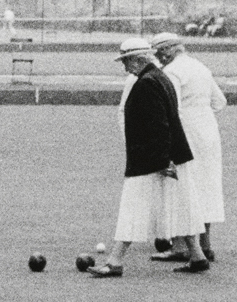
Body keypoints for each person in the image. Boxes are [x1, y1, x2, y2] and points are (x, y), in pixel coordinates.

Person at [89, 38, 207, 277]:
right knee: (181, 206)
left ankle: (115, 262)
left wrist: (163, 161)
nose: (124, 67)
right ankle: (197, 256)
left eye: (126, 61)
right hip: (168, 157)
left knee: (131, 209)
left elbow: (159, 125)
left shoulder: (147, 83)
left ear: (139, 58)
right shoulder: (160, 78)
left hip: (152, 161)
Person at [151, 32, 227, 261]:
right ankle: (205, 245)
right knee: (206, 186)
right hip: (208, 133)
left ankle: (181, 247)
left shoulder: (171, 72)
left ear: (169, 50)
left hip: (185, 134)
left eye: (159, 53)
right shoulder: (201, 67)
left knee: (181, 185)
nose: (158, 58)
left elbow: (172, 108)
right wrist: (200, 115)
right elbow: (219, 102)